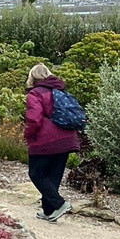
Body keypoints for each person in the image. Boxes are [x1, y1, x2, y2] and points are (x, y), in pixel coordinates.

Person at [24, 63, 81, 221]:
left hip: (45, 139)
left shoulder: (35, 93)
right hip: (67, 138)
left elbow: (34, 119)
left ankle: (60, 204)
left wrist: (28, 135)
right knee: (53, 175)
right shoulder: (61, 91)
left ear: (32, 77)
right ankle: (49, 211)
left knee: (36, 173)